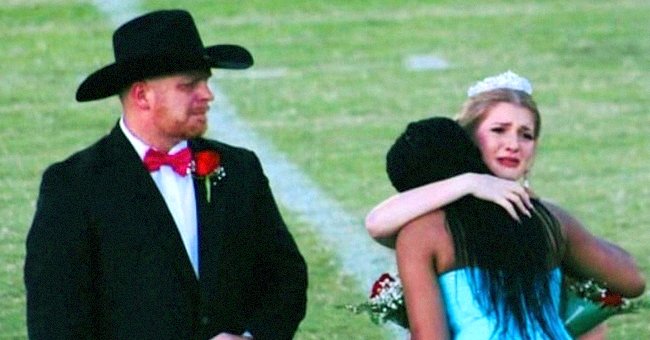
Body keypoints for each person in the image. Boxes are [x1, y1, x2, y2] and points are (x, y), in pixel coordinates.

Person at [24, 9, 307, 340]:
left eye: (206, 81)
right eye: (189, 85)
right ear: (142, 95)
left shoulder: (240, 169)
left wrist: (252, 337)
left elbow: (285, 277)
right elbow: (55, 321)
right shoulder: (74, 186)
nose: (207, 95)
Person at [365, 71, 645, 339]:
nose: (513, 144)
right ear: (468, 139)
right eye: (499, 130)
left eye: (526, 135)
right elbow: (632, 281)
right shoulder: (550, 220)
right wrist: (471, 182)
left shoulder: (421, 232)